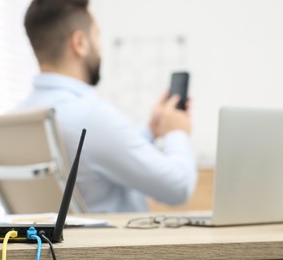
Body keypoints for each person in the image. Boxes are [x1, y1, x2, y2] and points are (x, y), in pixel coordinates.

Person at [17, 0, 197, 213]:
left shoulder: (18, 117)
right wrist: (177, 132)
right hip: (116, 244)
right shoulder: (91, 116)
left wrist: (150, 131)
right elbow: (178, 187)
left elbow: (103, 152)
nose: (100, 46)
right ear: (80, 43)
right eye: (97, 35)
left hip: (53, 245)